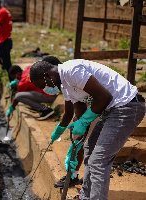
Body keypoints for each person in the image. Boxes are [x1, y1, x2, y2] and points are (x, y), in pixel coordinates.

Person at [30, 58, 145, 200]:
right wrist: (76, 146)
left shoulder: (71, 70)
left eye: (43, 85)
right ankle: (85, 197)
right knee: (89, 150)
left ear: (47, 75)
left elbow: (104, 97)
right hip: (111, 110)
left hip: (127, 106)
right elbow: (79, 111)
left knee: (99, 159)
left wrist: (84, 121)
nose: (45, 89)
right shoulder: (65, 85)